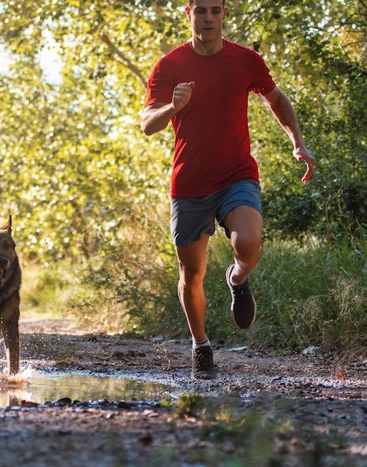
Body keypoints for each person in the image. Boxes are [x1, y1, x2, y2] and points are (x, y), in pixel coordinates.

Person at [141, 0, 315, 380]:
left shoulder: (245, 60)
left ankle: (237, 278)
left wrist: (297, 142)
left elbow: (276, 99)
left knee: (248, 242)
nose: (207, 18)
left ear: (224, 14)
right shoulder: (170, 65)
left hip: (237, 176)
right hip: (188, 185)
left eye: (215, 11)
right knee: (192, 272)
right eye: (200, 10)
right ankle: (201, 347)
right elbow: (147, 124)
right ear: (188, 14)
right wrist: (173, 107)